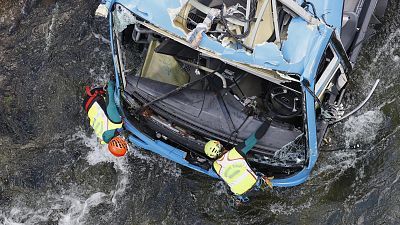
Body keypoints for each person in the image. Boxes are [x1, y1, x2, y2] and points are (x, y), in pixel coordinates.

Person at [204, 120, 273, 204]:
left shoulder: (215, 167)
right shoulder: (237, 151)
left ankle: (239, 202)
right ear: (220, 144)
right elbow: (255, 137)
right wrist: (268, 121)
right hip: (257, 186)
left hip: (243, 196)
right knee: (263, 173)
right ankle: (265, 180)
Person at [83, 80, 128, 156]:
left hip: (93, 95)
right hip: (87, 106)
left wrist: (111, 84)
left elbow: (111, 103)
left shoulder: (115, 123)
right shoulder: (104, 140)